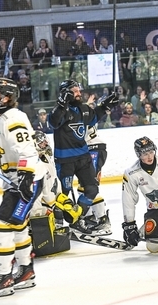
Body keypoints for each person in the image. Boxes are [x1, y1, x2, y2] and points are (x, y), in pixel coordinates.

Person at [48, 80, 118, 234]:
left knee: (92, 189)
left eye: (79, 90)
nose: (79, 93)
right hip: (65, 160)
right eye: (75, 91)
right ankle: (56, 221)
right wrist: (61, 104)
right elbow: (53, 122)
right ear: (65, 93)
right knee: (63, 194)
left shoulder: (83, 109)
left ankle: (77, 218)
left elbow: (94, 117)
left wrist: (106, 106)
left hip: (84, 157)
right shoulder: (60, 110)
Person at [0, 78, 42, 297]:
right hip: (15, 180)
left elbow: (27, 150)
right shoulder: (0, 119)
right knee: (18, 226)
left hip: (26, 179)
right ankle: (25, 271)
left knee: (2, 224)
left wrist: (25, 176)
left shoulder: (13, 118)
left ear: (6, 97)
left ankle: (3, 276)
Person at [29, 131, 81, 257]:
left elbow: (53, 187)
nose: (45, 144)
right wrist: (43, 210)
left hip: (49, 208)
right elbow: (33, 195)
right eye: (41, 142)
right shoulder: (33, 166)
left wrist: (65, 201)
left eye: (45, 141)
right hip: (38, 211)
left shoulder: (47, 161)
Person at [76, 125, 111, 235]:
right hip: (88, 149)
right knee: (83, 186)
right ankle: (90, 218)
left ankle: (103, 220)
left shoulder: (75, 112)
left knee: (90, 187)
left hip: (92, 148)